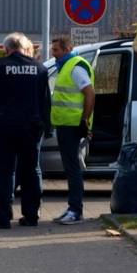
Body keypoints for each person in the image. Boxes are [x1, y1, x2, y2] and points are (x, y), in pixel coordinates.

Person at [0, 32, 52, 229]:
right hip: (31, 129)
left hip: (3, 128)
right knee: (30, 172)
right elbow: (45, 102)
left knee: (3, 173)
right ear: (24, 48)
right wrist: (46, 127)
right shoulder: (39, 69)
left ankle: (3, 218)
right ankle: (31, 216)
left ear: (6, 49)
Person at [48, 35, 95, 224]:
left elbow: (90, 93)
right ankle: (72, 208)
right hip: (65, 124)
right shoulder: (65, 66)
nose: (54, 53)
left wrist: (84, 120)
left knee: (73, 168)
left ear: (67, 49)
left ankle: (76, 211)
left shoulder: (75, 67)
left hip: (73, 125)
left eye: (56, 50)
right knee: (69, 167)